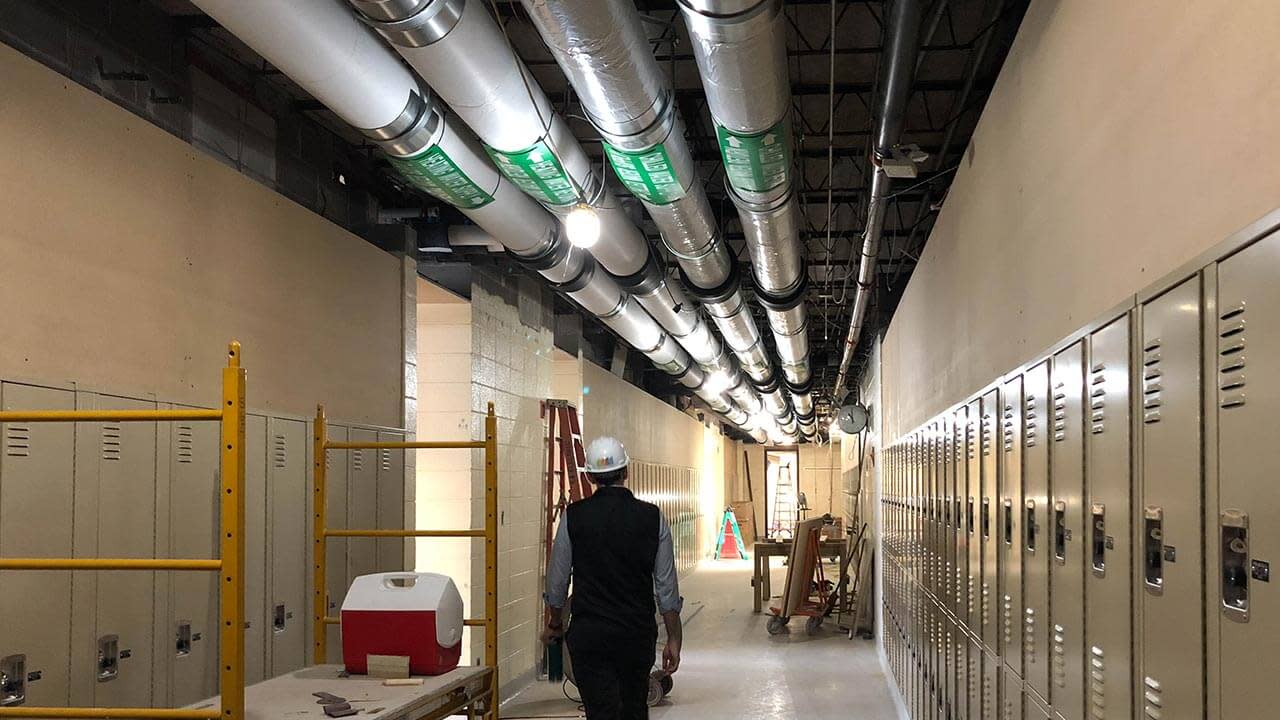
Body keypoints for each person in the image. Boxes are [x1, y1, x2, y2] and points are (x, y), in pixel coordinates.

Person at [542, 436, 683, 719]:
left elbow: (557, 583)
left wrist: (555, 624)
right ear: (626, 472)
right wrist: (674, 639)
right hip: (636, 634)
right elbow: (666, 588)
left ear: (591, 476)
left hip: (590, 635)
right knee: (633, 707)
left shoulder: (574, 517)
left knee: (600, 711)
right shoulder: (652, 517)